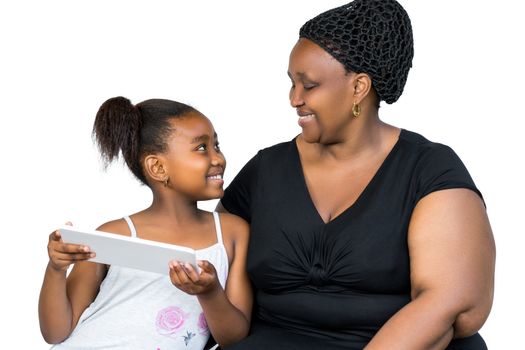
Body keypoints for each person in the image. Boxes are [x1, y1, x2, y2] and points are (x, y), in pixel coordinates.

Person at [217, 0, 495, 349]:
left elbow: (447, 304)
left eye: (310, 85)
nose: (294, 99)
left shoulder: (429, 170)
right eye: (291, 83)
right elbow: (208, 256)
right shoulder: (266, 169)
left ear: (359, 87)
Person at [38, 97, 252, 349]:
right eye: (202, 148)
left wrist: (210, 293)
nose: (218, 158)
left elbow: (234, 338)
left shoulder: (232, 233)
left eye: (216, 145)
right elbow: (56, 333)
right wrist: (56, 269)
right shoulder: (113, 234)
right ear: (158, 167)